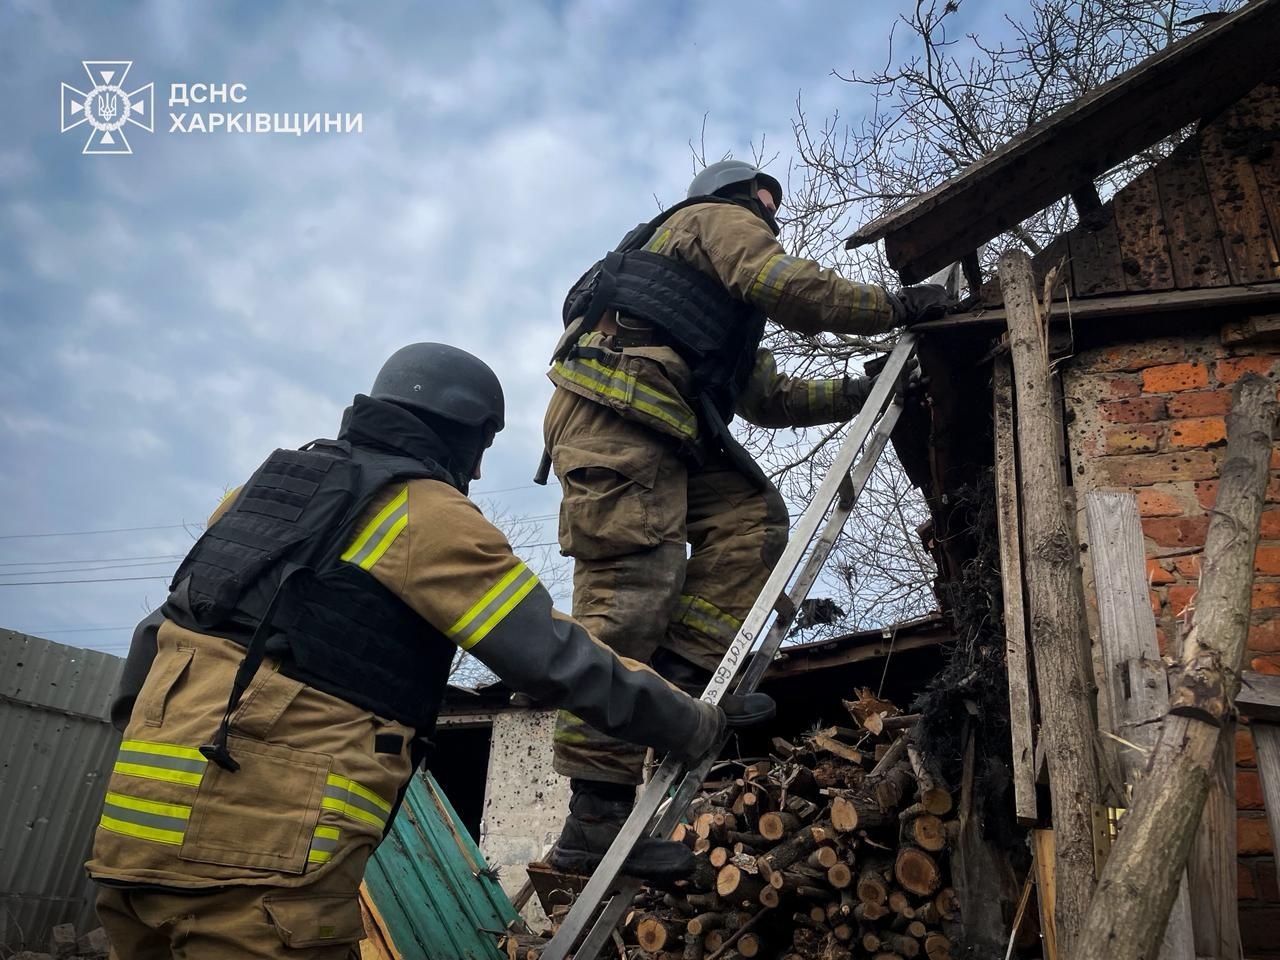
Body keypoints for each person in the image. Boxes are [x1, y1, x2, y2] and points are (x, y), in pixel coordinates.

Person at [87, 342, 774, 959]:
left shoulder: (260, 493)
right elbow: (555, 656)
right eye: (481, 447)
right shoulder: (419, 512)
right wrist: (692, 722)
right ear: (462, 430)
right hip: (254, 861)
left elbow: (155, 636)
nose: (477, 467)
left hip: (128, 845)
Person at [542, 160, 947, 875]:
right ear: (729, 197)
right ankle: (593, 817)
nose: (771, 211)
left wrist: (856, 391)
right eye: (763, 198)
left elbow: (767, 398)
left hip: (660, 421)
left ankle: (677, 689)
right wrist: (896, 306)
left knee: (750, 521)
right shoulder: (710, 221)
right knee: (630, 595)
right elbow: (787, 285)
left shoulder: (711, 310)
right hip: (614, 419)